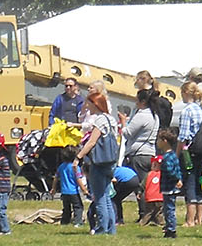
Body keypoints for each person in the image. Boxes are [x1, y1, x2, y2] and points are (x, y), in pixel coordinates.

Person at [76, 86, 120, 234]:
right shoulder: (111, 119)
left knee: (100, 197)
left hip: (99, 162)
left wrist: (78, 157)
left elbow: (92, 142)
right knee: (106, 196)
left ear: (95, 104)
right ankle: (111, 228)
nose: (87, 106)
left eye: (89, 103)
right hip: (110, 161)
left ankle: (102, 228)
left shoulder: (100, 120)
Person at [121, 90, 159, 225]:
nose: (135, 102)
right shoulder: (155, 116)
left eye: (137, 100)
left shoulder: (141, 116)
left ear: (143, 102)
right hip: (150, 152)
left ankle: (145, 215)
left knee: (141, 187)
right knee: (150, 185)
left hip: (139, 153)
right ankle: (154, 213)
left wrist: (123, 122)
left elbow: (128, 133)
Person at [177, 81, 202, 228]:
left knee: (190, 184)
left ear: (185, 93)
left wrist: (177, 155)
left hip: (190, 151)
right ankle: (199, 219)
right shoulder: (200, 109)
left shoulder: (186, 111)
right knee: (199, 184)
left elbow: (182, 137)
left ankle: (189, 220)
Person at [156, 127, 183, 239]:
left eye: (159, 140)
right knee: (168, 207)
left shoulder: (167, 158)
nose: (157, 142)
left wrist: (176, 179)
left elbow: (171, 170)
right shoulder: (173, 155)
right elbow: (178, 169)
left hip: (169, 186)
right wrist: (180, 179)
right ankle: (169, 226)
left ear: (164, 141)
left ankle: (171, 229)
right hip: (172, 186)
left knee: (169, 208)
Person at [56, 146, 87, 228]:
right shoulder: (75, 168)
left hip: (64, 192)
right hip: (74, 192)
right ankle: (78, 222)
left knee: (66, 208)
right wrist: (84, 189)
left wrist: (53, 188)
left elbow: (56, 178)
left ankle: (64, 222)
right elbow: (78, 179)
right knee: (78, 207)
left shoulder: (61, 167)